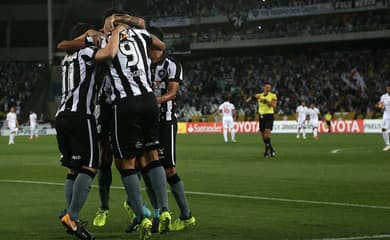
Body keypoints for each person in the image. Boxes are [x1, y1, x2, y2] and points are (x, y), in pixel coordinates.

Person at [93, 15, 170, 238]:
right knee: (152, 156)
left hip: (125, 103)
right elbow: (160, 45)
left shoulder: (107, 38)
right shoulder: (141, 35)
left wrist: (112, 31)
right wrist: (127, 25)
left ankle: (142, 216)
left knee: (125, 163)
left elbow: (104, 54)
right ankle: (163, 210)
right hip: (149, 99)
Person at [91, 9, 149, 228]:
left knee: (134, 157)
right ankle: (103, 207)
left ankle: (134, 205)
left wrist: (118, 21)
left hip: (126, 102)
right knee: (104, 157)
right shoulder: (100, 38)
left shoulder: (133, 37)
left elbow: (141, 22)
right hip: (105, 104)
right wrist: (94, 32)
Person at [55, 23, 102, 240]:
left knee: (73, 169)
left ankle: (69, 214)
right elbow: (109, 54)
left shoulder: (66, 59)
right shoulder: (87, 51)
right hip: (81, 116)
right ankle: (72, 219)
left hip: (62, 116)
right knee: (91, 165)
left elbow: (65, 46)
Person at [147, 26, 196, 232]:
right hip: (147, 122)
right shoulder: (143, 64)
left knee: (169, 169)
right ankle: (159, 214)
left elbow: (172, 92)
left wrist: (152, 101)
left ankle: (186, 216)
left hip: (165, 121)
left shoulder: (172, 65)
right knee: (148, 169)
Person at [246, 82, 277, 158]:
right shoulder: (259, 95)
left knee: (267, 133)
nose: (268, 89)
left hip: (269, 116)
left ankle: (266, 152)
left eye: (269, 87)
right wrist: (248, 100)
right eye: (267, 87)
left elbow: (274, 105)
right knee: (263, 136)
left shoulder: (273, 95)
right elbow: (252, 97)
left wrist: (267, 102)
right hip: (261, 116)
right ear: (264, 88)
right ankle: (271, 149)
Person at [376, 84, 390, 151]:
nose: (388, 90)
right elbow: (380, 104)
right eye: (387, 89)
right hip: (386, 115)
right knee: (383, 129)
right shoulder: (383, 96)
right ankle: (388, 144)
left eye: (389, 89)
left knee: (385, 129)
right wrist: (379, 105)